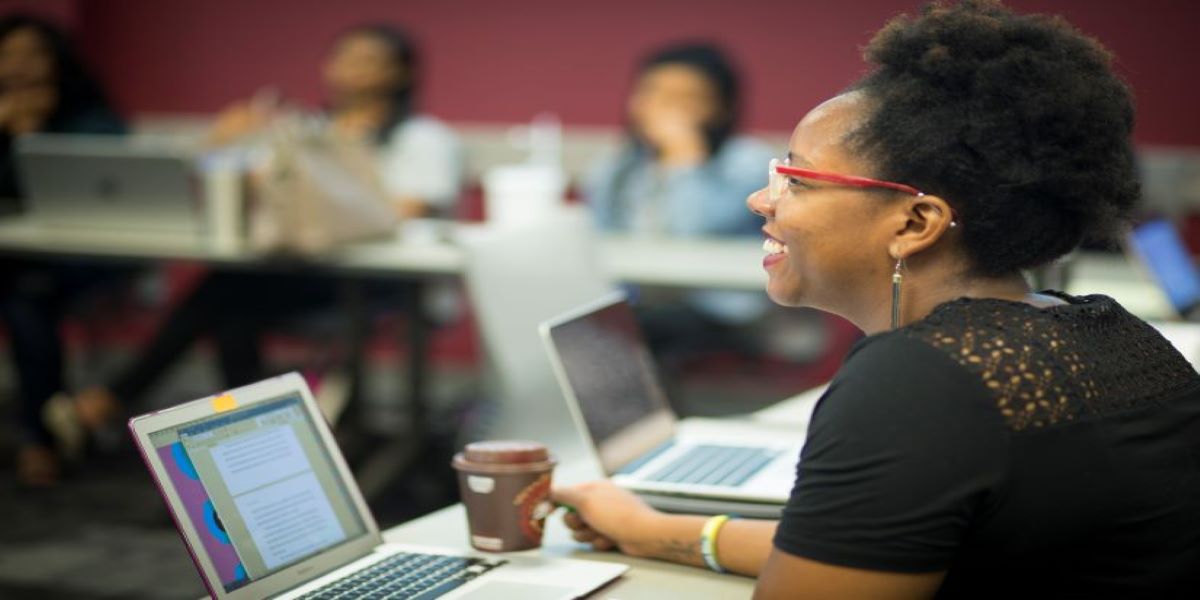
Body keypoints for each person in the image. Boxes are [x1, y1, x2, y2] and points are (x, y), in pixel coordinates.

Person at [553, 1, 1200, 598]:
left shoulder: (919, 381)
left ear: (915, 223)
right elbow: (857, 545)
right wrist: (650, 530)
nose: (762, 199)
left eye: (798, 180)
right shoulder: (1104, 328)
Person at [69, 24, 463, 441]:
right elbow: (255, 190)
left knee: (227, 295)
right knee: (230, 300)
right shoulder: (303, 130)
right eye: (346, 58)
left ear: (400, 73)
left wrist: (329, 175)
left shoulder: (423, 138)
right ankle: (253, 433)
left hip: (381, 280)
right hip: (309, 266)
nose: (354, 71)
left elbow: (408, 209)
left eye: (370, 61)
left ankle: (127, 399)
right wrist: (225, 141)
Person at [584, 43, 774, 396]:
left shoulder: (747, 161)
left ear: (721, 107)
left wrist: (684, 158)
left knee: (636, 333)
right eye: (653, 94)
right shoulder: (618, 167)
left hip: (720, 304)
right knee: (587, 327)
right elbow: (598, 243)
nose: (665, 110)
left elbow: (692, 234)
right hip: (640, 298)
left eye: (686, 99)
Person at [0, 14, 128, 485]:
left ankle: (39, 437)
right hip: (17, 255)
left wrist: (36, 137)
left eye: (33, 54)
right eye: (9, 54)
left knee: (27, 302)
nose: (20, 66)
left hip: (81, 258)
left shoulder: (89, 117)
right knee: (22, 291)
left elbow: (114, 186)